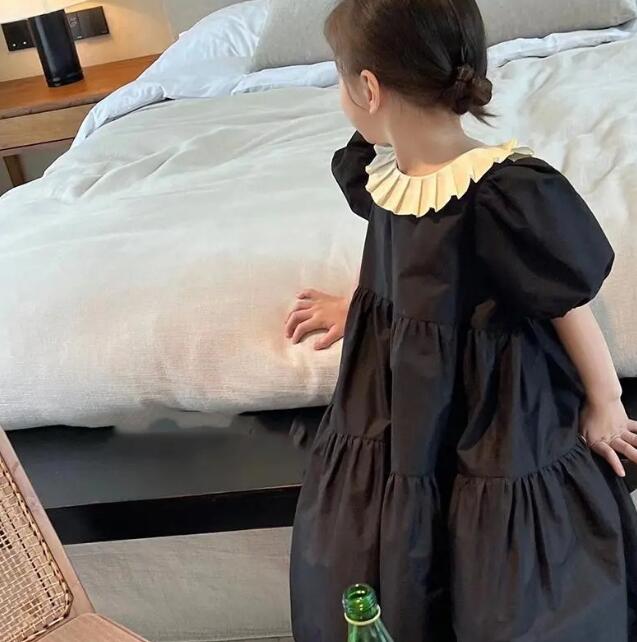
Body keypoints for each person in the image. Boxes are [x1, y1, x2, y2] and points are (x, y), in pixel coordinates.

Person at [286, 0, 637, 640]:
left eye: (340, 79)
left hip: (490, 403)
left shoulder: (502, 192)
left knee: (495, 540)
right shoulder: (389, 168)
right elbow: (400, 253)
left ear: (369, 88)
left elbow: (566, 300)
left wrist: (605, 399)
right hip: (409, 394)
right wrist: (362, 302)